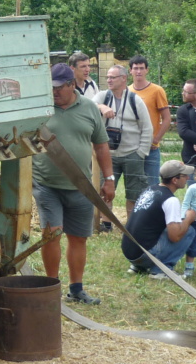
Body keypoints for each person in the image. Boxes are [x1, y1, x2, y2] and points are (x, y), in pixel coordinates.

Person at [33, 63, 115, 305]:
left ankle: (76, 289)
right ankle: (51, 288)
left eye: (59, 88)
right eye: (51, 88)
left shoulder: (89, 108)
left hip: (81, 185)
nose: (54, 92)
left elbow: (101, 145)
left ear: (71, 85)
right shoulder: (41, 109)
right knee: (52, 235)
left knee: (78, 237)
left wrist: (108, 179)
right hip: (46, 184)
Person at [122, 160, 196, 277]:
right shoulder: (170, 200)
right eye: (184, 176)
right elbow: (174, 236)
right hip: (144, 255)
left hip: (128, 252)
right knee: (190, 231)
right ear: (174, 180)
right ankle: (162, 270)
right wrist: (188, 219)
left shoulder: (150, 189)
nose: (188, 178)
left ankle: (138, 267)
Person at [100, 65, 152, 219]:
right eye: (107, 77)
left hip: (132, 154)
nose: (109, 80)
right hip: (108, 155)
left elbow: (147, 128)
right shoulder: (103, 96)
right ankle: (106, 223)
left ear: (124, 78)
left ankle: (131, 224)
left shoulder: (135, 100)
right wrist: (102, 107)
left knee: (134, 193)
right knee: (104, 190)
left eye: (112, 77)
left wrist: (140, 153)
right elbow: (88, 106)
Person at [128, 55, 171, 189]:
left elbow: (167, 118)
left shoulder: (157, 90)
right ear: (130, 71)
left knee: (152, 184)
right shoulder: (127, 91)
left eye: (141, 68)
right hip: (132, 145)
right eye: (135, 68)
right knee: (134, 184)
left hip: (151, 147)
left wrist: (156, 139)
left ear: (147, 70)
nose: (138, 71)